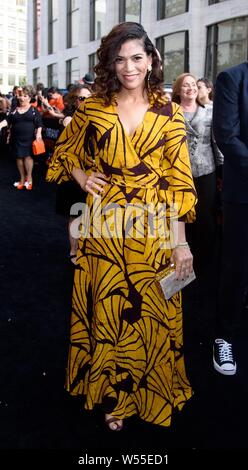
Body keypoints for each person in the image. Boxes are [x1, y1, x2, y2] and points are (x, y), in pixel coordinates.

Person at [46, 22, 197, 430]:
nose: (128, 66)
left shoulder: (169, 112)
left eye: (136, 57)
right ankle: (117, 394)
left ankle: (143, 394)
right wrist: (82, 177)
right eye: (120, 59)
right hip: (104, 225)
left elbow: (179, 182)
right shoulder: (93, 106)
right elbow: (65, 151)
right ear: (110, 64)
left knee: (149, 311)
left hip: (152, 226)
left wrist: (180, 243)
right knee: (110, 311)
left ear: (151, 61)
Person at [172, 73, 223, 342]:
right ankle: (182, 268)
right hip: (179, 174)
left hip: (205, 173)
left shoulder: (210, 112)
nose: (190, 89)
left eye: (194, 85)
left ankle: (203, 267)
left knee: (205, 221)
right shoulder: (170, 113)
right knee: (181, 221)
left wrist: (222, 171)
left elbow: (216, 143)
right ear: (179, 90)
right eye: (186, 85)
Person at [212, 61, 248, 375]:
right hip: (243, 196)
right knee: (236, 268)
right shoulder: (232, 78)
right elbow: (226, 135)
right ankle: (225, 336)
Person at [55, 84, 92, 263]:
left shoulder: (97, 118)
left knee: (89, 216)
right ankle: (73, 250)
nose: (85, 102)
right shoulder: (70, 119)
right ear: (74, 101)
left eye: (89, 98)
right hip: (72, 175)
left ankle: (85, 249)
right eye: (81, 99)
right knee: (75, 214)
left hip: (92, 175)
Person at [0, 86, 43, 190]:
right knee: (19, 158)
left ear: (30, 97)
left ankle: (29, 178)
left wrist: (38, 134)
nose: (22, 98)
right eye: (21, 95)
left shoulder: (34, 110)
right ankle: (22, 179)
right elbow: (7, 120)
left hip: (29, 139)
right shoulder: (14, 110)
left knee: (28, 157)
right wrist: (1, 125)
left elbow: (39, 124)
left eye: (25, 96)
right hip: (16, 138)